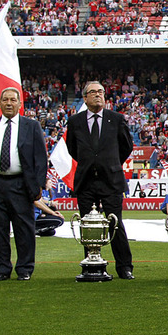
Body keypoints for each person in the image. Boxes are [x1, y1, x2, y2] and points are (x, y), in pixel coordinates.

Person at [0, 88, 48, 281]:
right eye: (5, 99)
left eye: (13, 100)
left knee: (24, 229)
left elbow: (40, 158)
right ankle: (2, 270)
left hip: (21, 184)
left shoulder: (31, 126)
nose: (8, 103)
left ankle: (24, 269)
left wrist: (38, 185)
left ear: (20, 104)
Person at [66, 81, 135, 279]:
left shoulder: (117, 119)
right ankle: (91, 264)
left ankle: (124, 267)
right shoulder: (75, 122)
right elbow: (73, 149)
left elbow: (126, 147)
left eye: (100, 92)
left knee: (115, 223)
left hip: (111, 180)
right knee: (88, 225)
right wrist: (91, 163)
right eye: (93, 92)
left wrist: (109, 163)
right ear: (85, 98)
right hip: (86, 180)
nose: (97, 95)